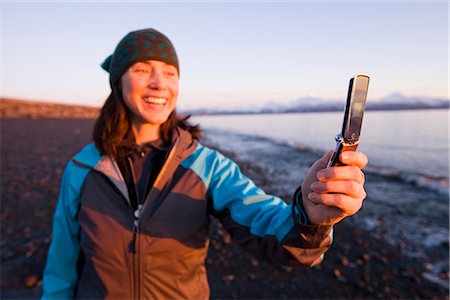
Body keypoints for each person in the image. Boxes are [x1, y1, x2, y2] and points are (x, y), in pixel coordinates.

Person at [42, 28, 368, 299]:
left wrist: (309, 217)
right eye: (142, 69)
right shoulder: (82, 170)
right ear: (118, 82)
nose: (159, 82)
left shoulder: (207, 167)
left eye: (169, 72)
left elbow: (268, 226)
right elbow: (61, 268)